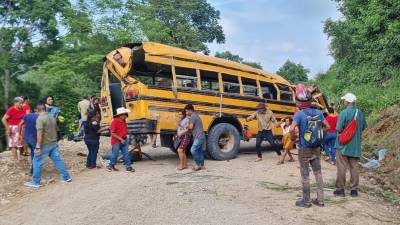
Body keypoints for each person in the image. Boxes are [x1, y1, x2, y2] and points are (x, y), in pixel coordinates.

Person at [289, 85, 330, 208]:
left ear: (299, 102)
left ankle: (306, 201)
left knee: (305, 175)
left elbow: (291, 129)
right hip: (316, 147)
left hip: (304, 148)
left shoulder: (299, 114)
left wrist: (293, 139)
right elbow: (327, 126)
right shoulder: (319, 112)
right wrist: (320, 136)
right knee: (318, 173)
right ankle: (320, 200)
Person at [24, 103, 71, 188]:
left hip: (45, 145)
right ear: (45, 109)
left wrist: (38, 146)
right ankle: (66, 177)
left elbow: (40, 133)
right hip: (53, 143)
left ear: (37, 110)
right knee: (58, 160)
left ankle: (35, 182)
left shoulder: (40, 119)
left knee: (36, 162)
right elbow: (56, 129)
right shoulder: (51, 117)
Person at [334, 93, 367, 198]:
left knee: (342, 167)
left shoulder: (344, 113)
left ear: (347, 102)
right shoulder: (360, 113)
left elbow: (338, 128)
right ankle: (354, 190)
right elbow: (363, 127)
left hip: (343, 145)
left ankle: (340, 189)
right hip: (356, 145)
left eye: (344, 100)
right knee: (354, 167)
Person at [107, 107, 134, 172]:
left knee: (126, 153)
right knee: (115, 154)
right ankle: (111, 165)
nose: (126, 116)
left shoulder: (124, 121)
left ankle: (128, 166)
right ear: (120, 115)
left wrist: (128, 132)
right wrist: (121, 139)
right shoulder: (114, 122)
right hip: (116, 140)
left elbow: (124, 130)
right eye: (125, 114)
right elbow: (112, 133)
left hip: (124, 139)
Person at [185, 104, 205, 171]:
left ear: (190, 110)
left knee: (193, 150)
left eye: (187, 111)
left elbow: (191, 127)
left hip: (198, 136)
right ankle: (202, 165)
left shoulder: (193, 116)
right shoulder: (196, 115)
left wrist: (187, 125)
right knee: (199, 151)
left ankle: (197, 164)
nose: (186, 113)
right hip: (201, 136)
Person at [18, 109, 39, 174]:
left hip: (27, 139)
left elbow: (20, 124)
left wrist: (19, 134)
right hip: (34, 138)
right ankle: (35, 172)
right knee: (37, 154)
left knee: (33, 153)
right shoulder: (39, 116)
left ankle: (32, 170)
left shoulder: (27, 116)